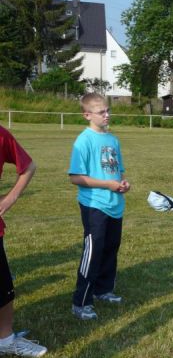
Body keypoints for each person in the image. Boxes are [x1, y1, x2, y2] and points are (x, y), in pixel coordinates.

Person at [68, 93, 131, 320]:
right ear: (87, 115)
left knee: (111, 247)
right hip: (94, 205)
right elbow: (75, 177)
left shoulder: (113, 140)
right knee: (93, 252)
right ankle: (81, 302)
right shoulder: (83, 141)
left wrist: (122, 183)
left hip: (115, 204)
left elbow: (118, 170)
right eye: (101, 112)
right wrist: (107, 185)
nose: (107, 115)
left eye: (108, 110)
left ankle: (103, 290)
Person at [0, 126, 47, 358]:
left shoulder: (1, 135)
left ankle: (5, 341)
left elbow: (28, 166)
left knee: (4, 291)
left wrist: (11, 198)